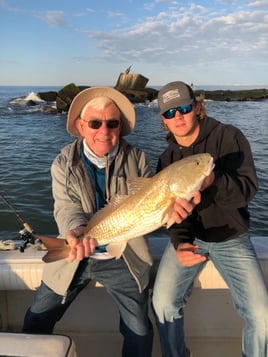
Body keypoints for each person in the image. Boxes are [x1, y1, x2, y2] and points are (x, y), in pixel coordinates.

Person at [22, 86, 199, 357]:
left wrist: (170, 216)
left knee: (140, 330)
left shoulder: (137, 158)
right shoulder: (63, 163)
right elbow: (65, 207)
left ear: (120, 127)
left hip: (124, 256)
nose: (104, 130)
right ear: (81, 127)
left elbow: (148, 209)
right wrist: (75, 231)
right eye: (95, 122)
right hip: (74, 255)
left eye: (112, 123)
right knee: (36, 318)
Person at [152, 81, 268, 357]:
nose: (178, 117)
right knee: (163, 303)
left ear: (197, 107)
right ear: (163, 120)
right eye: (169, 113)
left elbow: (247, 189)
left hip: (232, 238)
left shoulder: (228, 137)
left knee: (262, 314)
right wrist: (180, 243)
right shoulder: (166, 159)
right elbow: (174, 214)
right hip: (191, 239)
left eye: (183, 108)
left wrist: (213, 181)